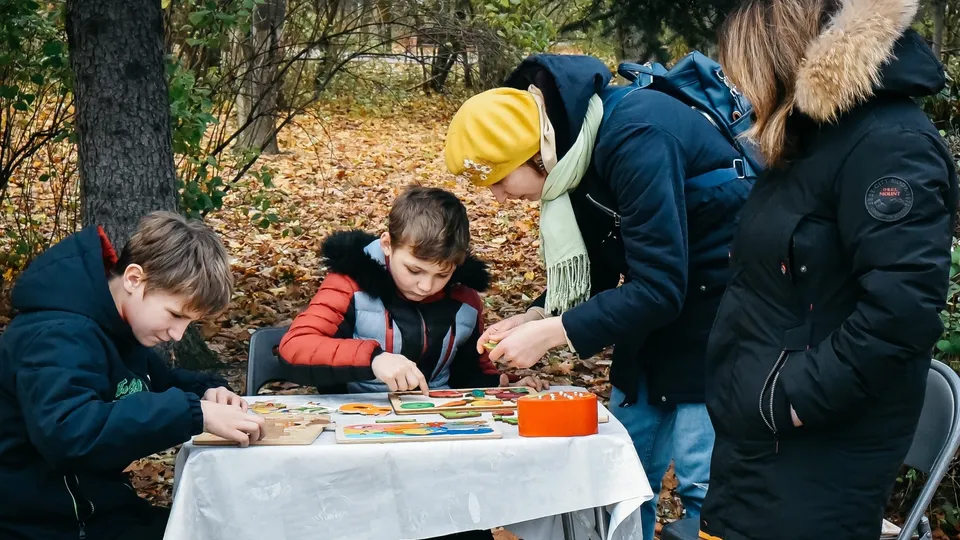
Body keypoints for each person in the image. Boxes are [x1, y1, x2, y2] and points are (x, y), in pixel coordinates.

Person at [443, 54, 752, 539]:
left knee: (705, 489)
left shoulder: (636, 136)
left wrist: (553, 333)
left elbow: (658, 286)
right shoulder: (573, 153)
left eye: (500, 180)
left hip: (720, 317)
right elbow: (601, 260)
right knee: (621, 481)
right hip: (653, 319)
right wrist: (538, 312)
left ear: (535, 152)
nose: (500, 197)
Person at [698, 1, 959, 538]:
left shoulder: (890, 143)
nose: (738, 89)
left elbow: (902, 312)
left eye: (742, 70)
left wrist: (789, 401)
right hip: (756, 445)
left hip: (815, 454)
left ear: (777, 57)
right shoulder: (813, 140)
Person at [0, 211, 265, 540]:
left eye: (189, 323)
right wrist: (195, 413)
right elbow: (68, 433)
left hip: (103, 510)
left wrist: (209, 392)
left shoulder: (118, 327)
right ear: (134, 279)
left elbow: (155, 385)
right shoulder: (57, 334)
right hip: (43, 525)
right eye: (174, 315)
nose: (178, 334)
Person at [279, 186, 546, 395]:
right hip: (357, 417)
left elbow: (471, 372)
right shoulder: (349, 283)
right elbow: (295, 346)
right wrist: (374, 359)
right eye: (414, 270)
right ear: (387, 245)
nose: (426, 286)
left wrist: (505, 384)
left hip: (437, 421)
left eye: (442, 274)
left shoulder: (465, 300)